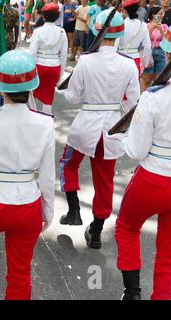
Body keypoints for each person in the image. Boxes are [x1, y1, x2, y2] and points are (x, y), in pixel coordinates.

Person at [0, 50, 55, 300]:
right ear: (32, 87)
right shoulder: (45, 123)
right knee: (20, 272)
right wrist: (47, 212)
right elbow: (48, 177)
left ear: (0, 87)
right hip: (27, 204)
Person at [56, 9, 140, 250]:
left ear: (96, 31)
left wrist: (62, 89)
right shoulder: (128, 65)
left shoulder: (87, 60)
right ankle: (96, 230)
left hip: (87, 124)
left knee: (68, 165)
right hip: (111, 128)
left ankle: (73, 210)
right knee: (104, 181)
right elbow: (135, 103)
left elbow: (73, 98)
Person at [114, 36, 171, 300]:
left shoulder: (154, 97)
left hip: (154, 177)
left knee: (126, 227)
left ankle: (132, 293)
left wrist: (123, 138)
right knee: (168, 251)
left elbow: (136, 150)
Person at [28, 2, 68, 115]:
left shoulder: (37, 31)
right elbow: (64, 55)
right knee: (48, 98)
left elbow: (32, 53)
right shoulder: (62, 32)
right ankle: (47, 122)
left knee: (31, 94)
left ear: (43, 16)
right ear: (57, 16)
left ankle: (32, 117)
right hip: (54, 67)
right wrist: (60, 73)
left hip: (39, 66)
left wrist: (31, 71)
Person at [118, 0, 152, 78]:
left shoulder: (120, 24)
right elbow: (147, 47)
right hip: (135, 59)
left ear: (124, 10)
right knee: (134, 88)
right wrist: (145, 63)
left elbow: (115, 44)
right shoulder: (143, 25)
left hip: (120, 59)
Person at [141, 5, 168, 91]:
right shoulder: (146, 25)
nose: (162, 15)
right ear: (153, 15)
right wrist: (152, 28)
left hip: (160, 53)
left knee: (159, 80)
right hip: (149, 53)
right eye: (160, 13)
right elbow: (144, 41)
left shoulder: (164, 26)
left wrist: (161, 31)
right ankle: (144, 99)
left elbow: (166, 43)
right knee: (147, 79)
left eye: (163, 13)